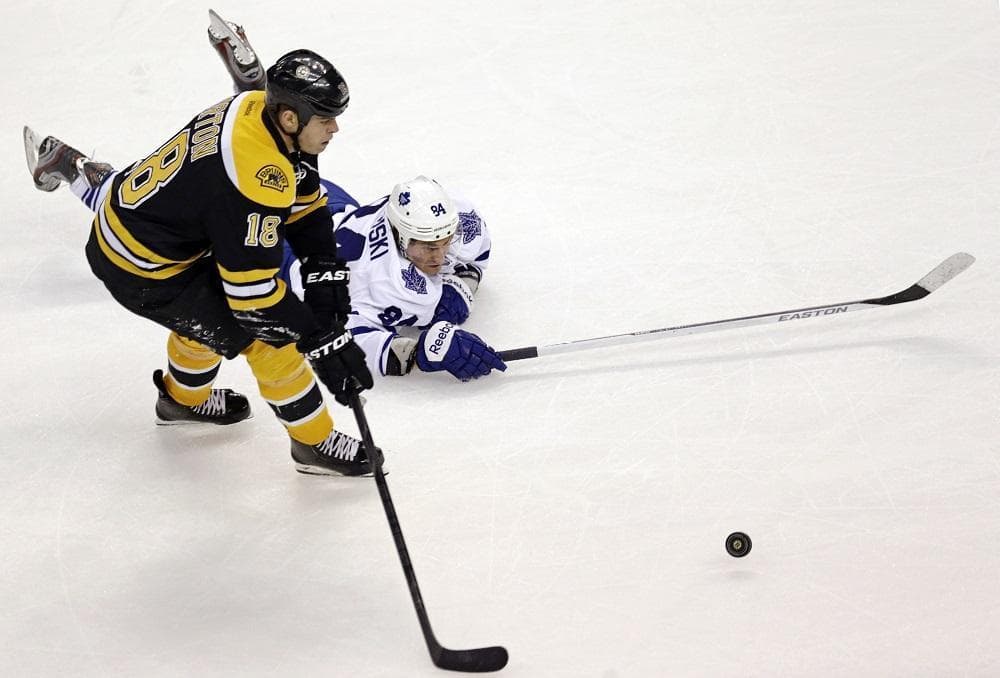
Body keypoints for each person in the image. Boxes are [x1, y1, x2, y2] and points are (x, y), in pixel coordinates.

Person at [23, 46, 378, 477]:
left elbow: (303, 200)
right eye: (326, 119)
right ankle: (313, 443)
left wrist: (322, 271)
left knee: (208, 321)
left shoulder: (255, 108)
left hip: (147, 226)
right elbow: (254, 300)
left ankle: (182, 401)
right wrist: (319, 340)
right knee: (270, 341)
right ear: (290, 118)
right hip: (142, 269)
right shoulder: (254, 175)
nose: (335, 128)